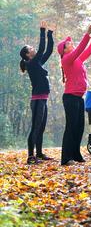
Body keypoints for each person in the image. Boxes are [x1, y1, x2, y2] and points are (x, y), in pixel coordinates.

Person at [58, 22, 91, 166]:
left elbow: (89, 49)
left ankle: (76, 154)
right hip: (70, 98)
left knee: (79, 127)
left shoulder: (77, 59)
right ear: (64, 50)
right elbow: (80, 48)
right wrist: (87, 33)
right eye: (68, 43)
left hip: (78, 98)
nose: (71, 43)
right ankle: (66, 158)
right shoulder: (67, 59)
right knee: (71, 127)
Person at [19, 21, 55, 165]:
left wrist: (50, 34)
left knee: (41, 127)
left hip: (43, 99)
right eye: (30, 48)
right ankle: (30, 156)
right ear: (28, 55)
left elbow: (48, 51)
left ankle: (39, 153)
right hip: (37, 100)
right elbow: (41, 49)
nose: (33, 49)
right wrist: (42, 31)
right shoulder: (31, 64)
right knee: (35, 127)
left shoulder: (37, 62)